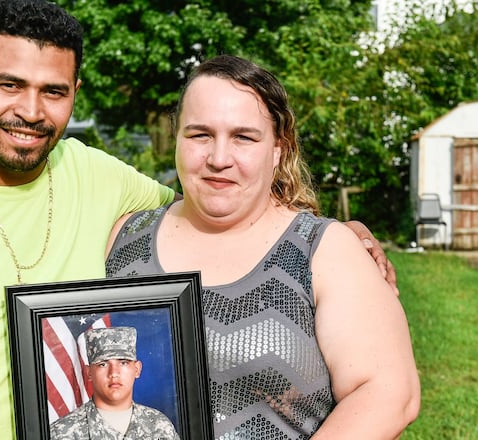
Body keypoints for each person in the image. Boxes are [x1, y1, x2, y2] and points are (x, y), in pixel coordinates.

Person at [0, 0, 395, 438]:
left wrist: (333, 236)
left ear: (75, 92)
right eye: (9, 84)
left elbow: (223, 192)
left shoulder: (103, 180)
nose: (30, 111)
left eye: (53, 91)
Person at [105, 55, 420, 439]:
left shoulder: (322, 249)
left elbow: (388, 393)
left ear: (278, 149)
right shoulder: (125, 237)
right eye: (199, 134)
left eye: (244, 137)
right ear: (176, 138)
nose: (219, 158)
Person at [50, 327, 180, 440]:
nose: (114, 373)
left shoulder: (160, 426)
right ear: (89, 372)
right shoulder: (62, 433)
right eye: (103, 364)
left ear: (137, 369)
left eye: (123, 363)